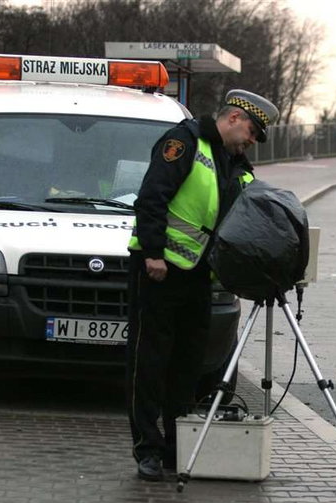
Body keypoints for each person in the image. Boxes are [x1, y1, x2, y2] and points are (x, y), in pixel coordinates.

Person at [126, 89, 280, 481]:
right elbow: (151, 198)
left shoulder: (240, 168)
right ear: (232, 119)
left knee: (187, 366)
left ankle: (178, 447)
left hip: (198, 277)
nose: (252, 140)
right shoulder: (186, 142)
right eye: (251, 131)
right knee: (150, 361)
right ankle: (147, 448)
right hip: (159, 270)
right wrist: (153, 253)